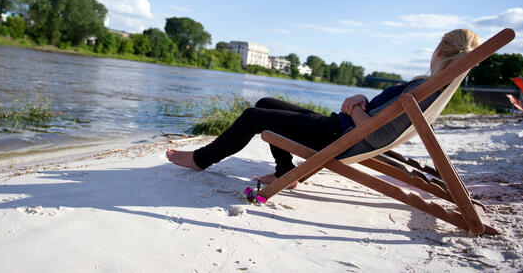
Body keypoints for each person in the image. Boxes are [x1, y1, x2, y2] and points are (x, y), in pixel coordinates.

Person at [166, 29, 483, 188]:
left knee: (252, 116)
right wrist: (360, 104)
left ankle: (200, 159)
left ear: (441, 50)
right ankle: (284, 171)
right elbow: (381, 123)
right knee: (264, 104)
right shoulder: (432, 87)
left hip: (338, 136)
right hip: (339, 127)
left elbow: (377, 134)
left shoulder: (424, 88)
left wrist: (357, 107)